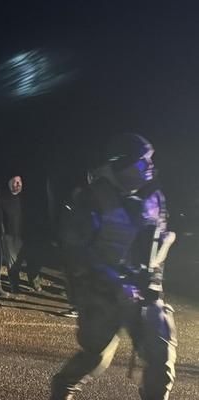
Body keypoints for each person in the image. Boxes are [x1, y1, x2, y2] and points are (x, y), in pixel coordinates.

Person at [50, 134, 177, 400]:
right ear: (123, 164)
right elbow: (76, 252)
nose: (150, 166)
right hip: (102, 289)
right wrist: (115, 283)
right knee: (96, 356)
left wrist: (152, 279)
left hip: (145, 288)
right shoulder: (91, 198)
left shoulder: (155, 198)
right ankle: (63, 388)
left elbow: (158, 242)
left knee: (162, 358)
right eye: (144, 161)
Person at [0, 175, 42, 293]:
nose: (18, 184)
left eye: (19, 182)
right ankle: (15, 285)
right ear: (9, 185)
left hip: (26, 235)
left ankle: (34, 281)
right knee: (13, 263)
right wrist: (3, 234)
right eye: (15, 182)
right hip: (10, 236)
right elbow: (0, 218)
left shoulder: (26, 198)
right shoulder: (3, 199)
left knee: (32, 259)